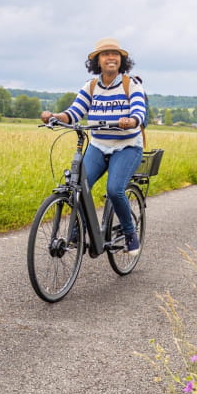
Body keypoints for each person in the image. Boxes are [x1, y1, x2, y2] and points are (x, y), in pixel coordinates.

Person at [40, 37, 147, 255]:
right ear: (97, 61)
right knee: (78, 187)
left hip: (126, 146)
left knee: (115, 190)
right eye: (106, 54)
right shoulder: (90, 87)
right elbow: (74, 112)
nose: (111, 58)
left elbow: (139, 111)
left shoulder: (131, 84)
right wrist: (54, 116)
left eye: (115, 54)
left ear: (121, 60)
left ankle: (129, 234)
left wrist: (132, 120)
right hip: (98, 145)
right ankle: (78, 233)